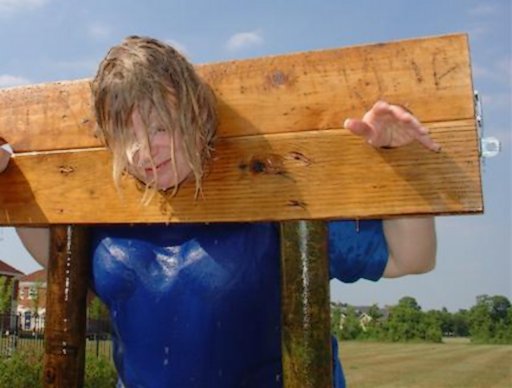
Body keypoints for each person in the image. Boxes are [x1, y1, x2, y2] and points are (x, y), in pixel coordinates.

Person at [0, 36, 439, 388]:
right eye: (124, 133)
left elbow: (411, 259)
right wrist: (10, 183)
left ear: (198, 117)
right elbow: (54, 258)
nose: (142, 150)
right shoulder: (108, 224)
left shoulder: (277, 200)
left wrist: (399, 162)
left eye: (158, 126)